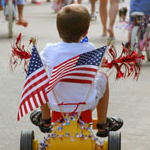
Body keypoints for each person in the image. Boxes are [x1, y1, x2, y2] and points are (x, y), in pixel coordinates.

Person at [30, 4, 123, 137]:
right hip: (85, 104)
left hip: (56, 104)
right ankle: (102, 124)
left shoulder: (50, 49)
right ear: (85, 32)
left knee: (40, 76)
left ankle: (45, 119)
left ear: (58, 30)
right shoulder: (90, 48)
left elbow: (37, 63)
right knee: (103, 77)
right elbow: (102, 63)